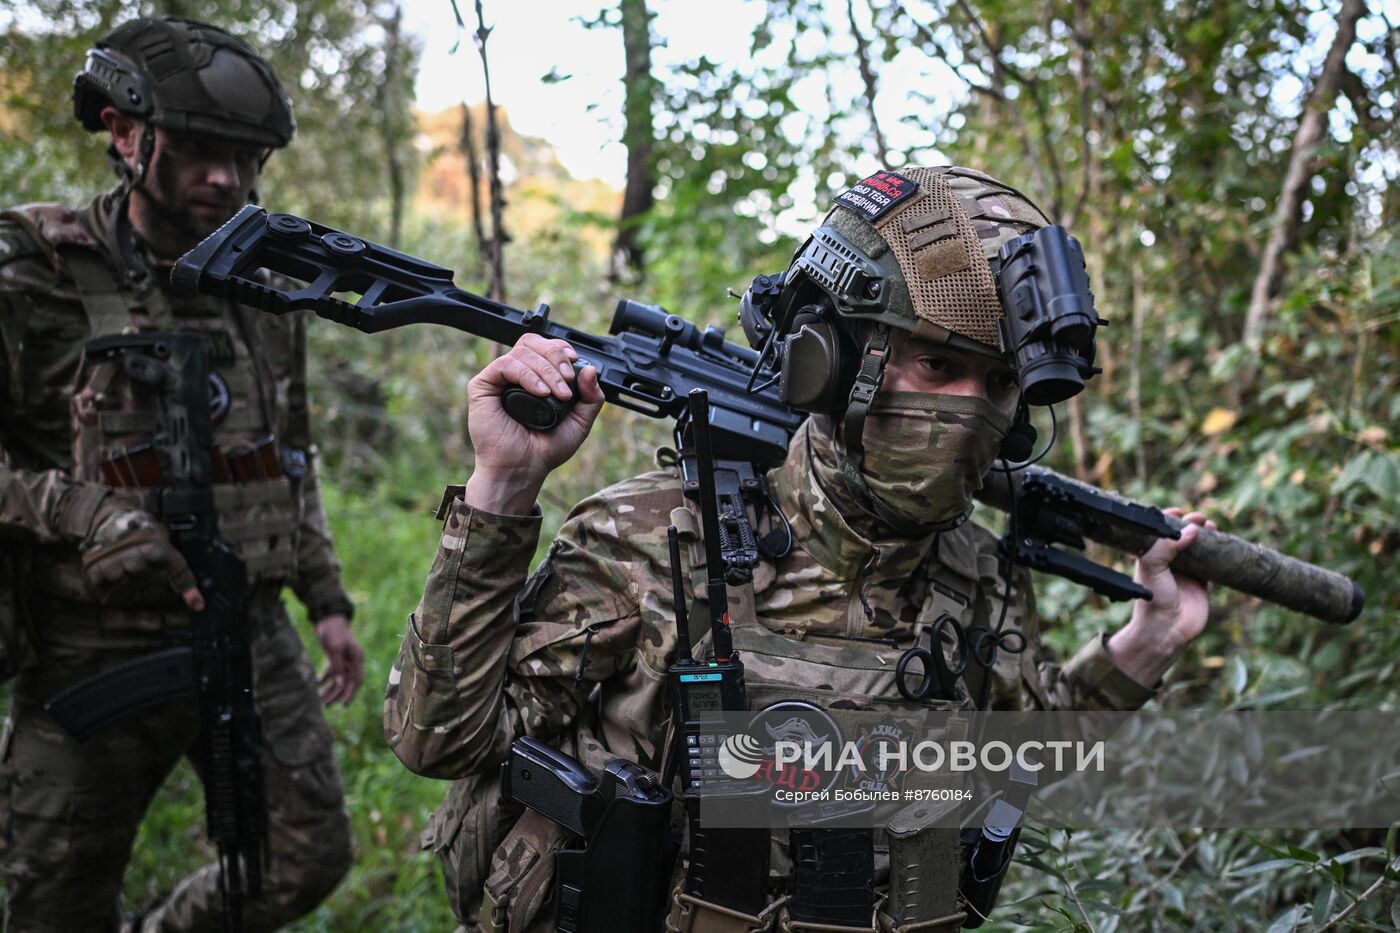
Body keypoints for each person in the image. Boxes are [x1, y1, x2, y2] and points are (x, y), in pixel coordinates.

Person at [383, 166, 1213, 931]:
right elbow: (443, 740)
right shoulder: (654, 537)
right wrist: (502, 490)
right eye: (936, 363)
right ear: (830, 357)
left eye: (998, 384)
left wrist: (1148, 643)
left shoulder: (978, 575)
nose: (970, 412)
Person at [0, 16, 364, 932]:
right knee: (56, 899)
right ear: (125, 133)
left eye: (245, 160)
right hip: (90, 641)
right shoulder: (35, 272)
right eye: (202, 151)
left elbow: (289, 447)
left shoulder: (260, 279)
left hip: (247, 622)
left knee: (304, 853)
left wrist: (326, 599)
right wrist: (83, 511)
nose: (226, 181)